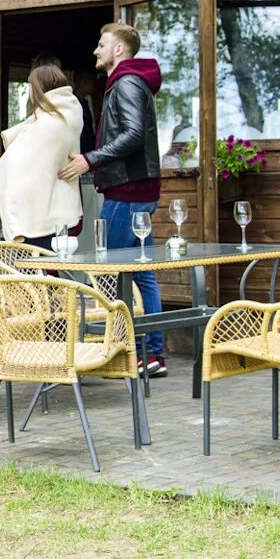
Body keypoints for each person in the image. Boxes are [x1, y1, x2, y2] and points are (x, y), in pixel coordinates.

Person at [58, 22, 166, 376]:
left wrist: (90, 158)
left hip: (128, 192)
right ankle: (151, 354)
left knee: (111, 273)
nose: (95, 51)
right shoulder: (127, 83)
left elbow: (134, 134)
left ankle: (129, 350)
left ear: (119, 50)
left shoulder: (127, 83)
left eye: (101, 44)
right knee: (140, 273)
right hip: (134, 189)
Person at [0, 63, 85, 247]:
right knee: (49, 270)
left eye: (31, 87)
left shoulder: (49, 123)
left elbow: (15, 165)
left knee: (35, 271)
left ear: (39, 89)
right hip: (62, 210)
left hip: (40, 216)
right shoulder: (70, 113)